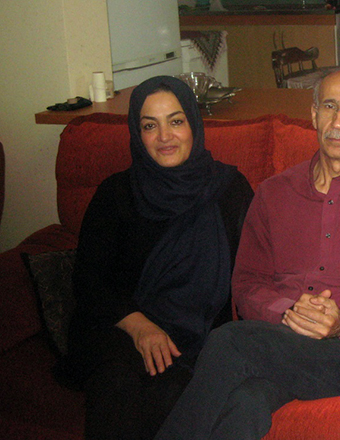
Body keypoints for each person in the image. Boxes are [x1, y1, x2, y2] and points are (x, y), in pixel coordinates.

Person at [155, 70, 340, 440]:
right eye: (329, 106)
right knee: (248, 402)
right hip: (274, 340)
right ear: (314, 114)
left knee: (227, 340)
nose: (338, 122)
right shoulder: (273, 194)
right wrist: (287, 313)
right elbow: (246, 284)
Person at [65, 75, 254, 440]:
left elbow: (256, 270)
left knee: (172, 395)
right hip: (121, 330)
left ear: (193, 124)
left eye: (176, 121)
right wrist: (140, 327)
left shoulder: (230, 190)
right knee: (117, 383)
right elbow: (88, 280)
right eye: (150, 126)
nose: (165, 136)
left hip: (196, 338)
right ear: (137, 135)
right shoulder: (116, 194)